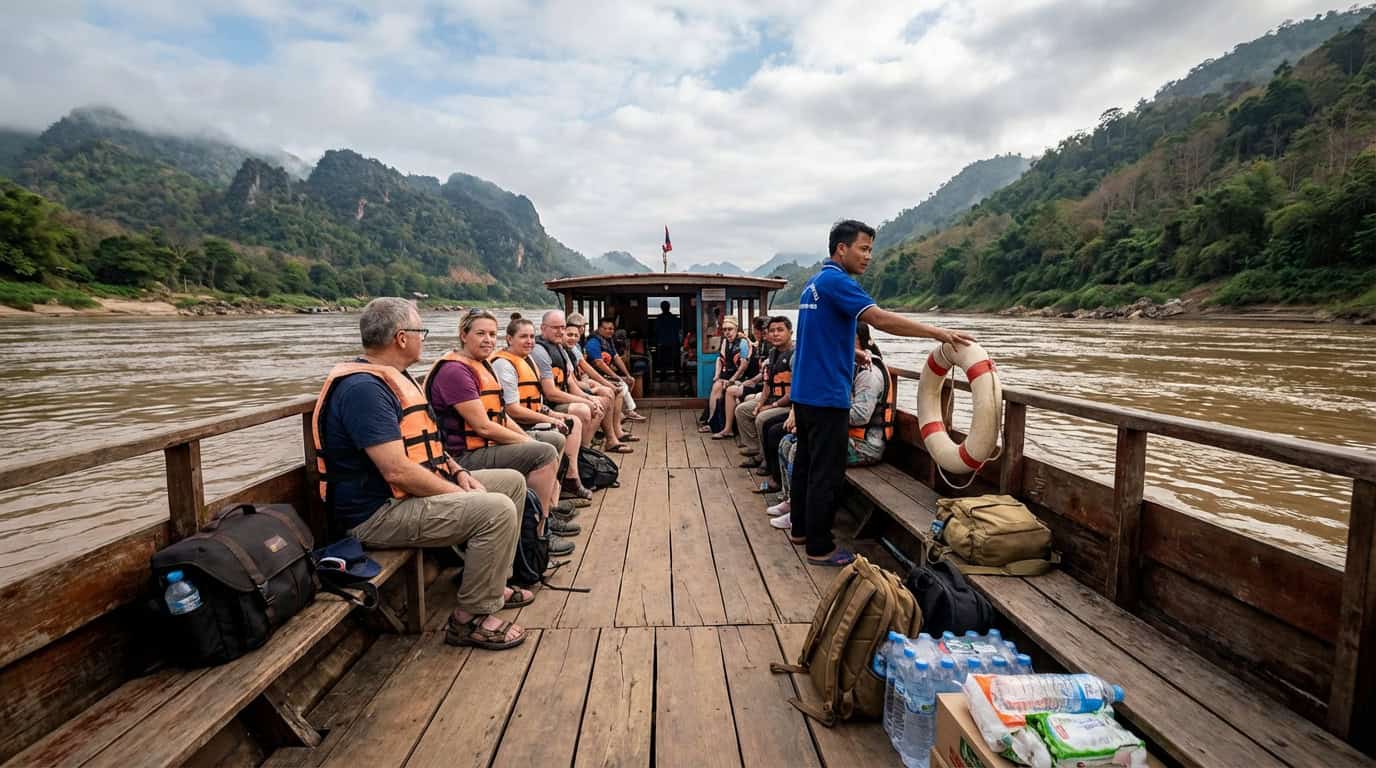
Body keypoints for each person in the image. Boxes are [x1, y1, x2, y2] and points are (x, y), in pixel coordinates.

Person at [312, 297, 529, 650]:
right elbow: (397, 470)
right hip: (377, 513)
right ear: (401, 338)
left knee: (511, 483)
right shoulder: (365, 391)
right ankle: (470, 619)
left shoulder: (396, 378)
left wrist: (458, 473)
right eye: (420, 331)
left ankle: (494, 584)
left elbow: (427, 445)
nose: (423, 338)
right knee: (495, 509)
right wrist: (461, 496)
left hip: (406, 496)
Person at [789, 220, 973, 566]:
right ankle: (819, 547)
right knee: (825, 472)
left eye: (871, 250)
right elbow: (881, 320)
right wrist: (939, 333)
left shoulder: (813, 284)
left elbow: (819, 336)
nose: (868, 257)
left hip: (805, 392)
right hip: (828, 395)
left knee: (806, 463)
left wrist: (852, 352)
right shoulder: (838, 282)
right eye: (863, 248)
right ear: (841, 249)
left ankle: (801, 530)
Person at [425, 309, 579, 544]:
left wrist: (528, 439)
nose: (488, 339)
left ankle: (545, 510)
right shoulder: (455, 372)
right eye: (480, 333)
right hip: (464, 455)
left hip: (486, 445)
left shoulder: (482, 364)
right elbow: (484, 427)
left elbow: (501, 415)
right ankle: (538, 533)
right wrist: (528, 443)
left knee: (551, 441)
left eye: (491, 333)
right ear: (463, 335)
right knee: (544, 452)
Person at [767, 324, 892, 529]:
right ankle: (793, 501)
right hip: (843, 434)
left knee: (801, 451)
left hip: (864, 445)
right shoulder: (848, 367)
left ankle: (803, 512)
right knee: (786, 442)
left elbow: (860, 416)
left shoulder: (868, 373)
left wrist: (820, 419)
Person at [490, 316, 594, 510]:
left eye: (531, 336)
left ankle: (558, 493)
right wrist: (550, 418)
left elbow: (536, 401)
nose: (529, 341)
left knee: (569, 422)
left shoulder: (528, 359)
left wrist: (553, 415)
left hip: (530, 416)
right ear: (509, 339)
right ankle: (548, 505)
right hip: (516, 423)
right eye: (523, 337)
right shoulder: (504, 365)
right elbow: (513, 410)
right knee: (558, 434)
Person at [531, 310, 632, 454]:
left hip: (565, 394)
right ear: (542, 328)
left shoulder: (560, 348)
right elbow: (551, 393)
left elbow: (571, 382)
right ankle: (582, 453)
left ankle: (586, 449)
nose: (560, 332)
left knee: (600, 401)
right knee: (585, 409)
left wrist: (589, 398)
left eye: (562, 327)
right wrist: (589, 398)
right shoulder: (540, 351)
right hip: (549, 403)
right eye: (556, 328)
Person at [735, 315, 793, 465]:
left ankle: (766, 459)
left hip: (788, 405)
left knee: (762, 418)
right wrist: (760, 403)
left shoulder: (796, 355)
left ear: (790, 332)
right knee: (742, 410)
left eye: (780, 330)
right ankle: (755, 449)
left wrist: (771, 406)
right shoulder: (773, 354)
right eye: (772, 330)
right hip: (772, 398)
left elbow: (794, 392)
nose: (775, 334)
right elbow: (767, 383)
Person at [572, 314, 645, 423]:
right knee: (622, 386)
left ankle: (622, 412)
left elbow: (616, 358)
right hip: (594, 375)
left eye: (611, 329)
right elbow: (599, 363)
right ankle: (628, 411)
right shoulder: (593, 342)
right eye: (606, 329)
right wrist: (616, 377)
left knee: (629, 380)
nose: (609, 331)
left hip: (602, 375)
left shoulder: (608, 341)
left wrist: (627, 374)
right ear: (600, 328)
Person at [717, 316, 769, 439]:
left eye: (755, 331)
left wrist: (749, 381)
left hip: (760, 385)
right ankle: (724, 426)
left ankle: (728, 428)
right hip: (756, 382)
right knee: (724, 388)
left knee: (730, 391)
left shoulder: (768, 347)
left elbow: (761, 372)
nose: (754, 333)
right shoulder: (761, 345)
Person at [699, 317, 750, 434]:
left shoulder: (743, 343)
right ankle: (711, 421)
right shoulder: (725, 342)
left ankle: (724, 425)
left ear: (736, 329)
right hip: (727, 375)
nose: (727, 332)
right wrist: (717, 375)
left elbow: (743, 366)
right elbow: (720, 359)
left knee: (723, 387)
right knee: (716, 385)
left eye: (730, 329)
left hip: (741, 377)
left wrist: (733, 379)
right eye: (725, 329)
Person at [652, 300, 681, 373]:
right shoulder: (674, 318)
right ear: (669, 307)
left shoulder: (659, 318)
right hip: (673, 342)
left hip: (662, 343)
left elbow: (655, 330)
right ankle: (677, 375)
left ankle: (663, 376)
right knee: (675, 360)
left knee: (663, 360)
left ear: (661, 308)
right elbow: (679, 330)